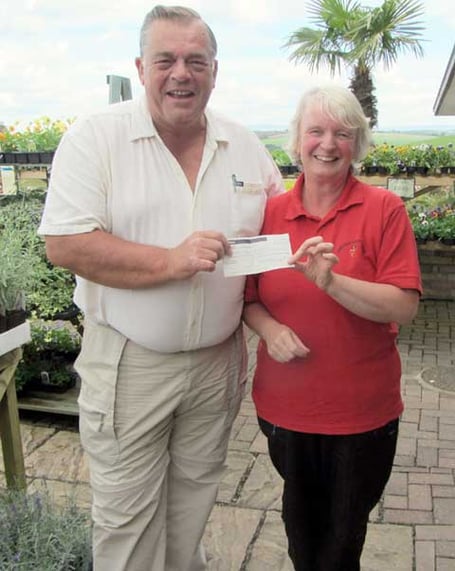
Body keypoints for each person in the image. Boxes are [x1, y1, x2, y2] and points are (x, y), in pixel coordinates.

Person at [38, 5, 283, 570]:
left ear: (215, 71)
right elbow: (65, 244)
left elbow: (283, 226)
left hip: (217, 364)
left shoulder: (244, 145)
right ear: (140, 67)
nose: (181, 74)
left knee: (192, 510)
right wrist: (171, 261)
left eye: (196, 61)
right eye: (166, 60)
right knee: (127, 523)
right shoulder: (95, 138)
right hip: (131, 364)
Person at [243, 85, 422, 571]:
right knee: (301, 535)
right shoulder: (271, 213)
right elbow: (249, 299)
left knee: (341, 545)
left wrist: (331, 282)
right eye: (315, 131)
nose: (327, 144)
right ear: (297, 140)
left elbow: (404, 305)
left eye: (342, 133)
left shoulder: (384, 210)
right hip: (286, 410)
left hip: (361, 415)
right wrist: (270, 330)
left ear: (357, 143)